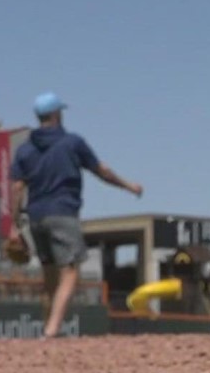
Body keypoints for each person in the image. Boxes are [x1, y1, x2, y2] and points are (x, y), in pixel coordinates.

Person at [9, 91, 143, 339]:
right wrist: (127, 185)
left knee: (49, 273)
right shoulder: (72, 143)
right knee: (70, 271)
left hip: (36, 217)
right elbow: (101, 170)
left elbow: (17, 188)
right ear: (57, 114)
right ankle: (52, 330)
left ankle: (47, 326)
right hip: (62, 212)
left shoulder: (25, 150)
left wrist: (15, 225)